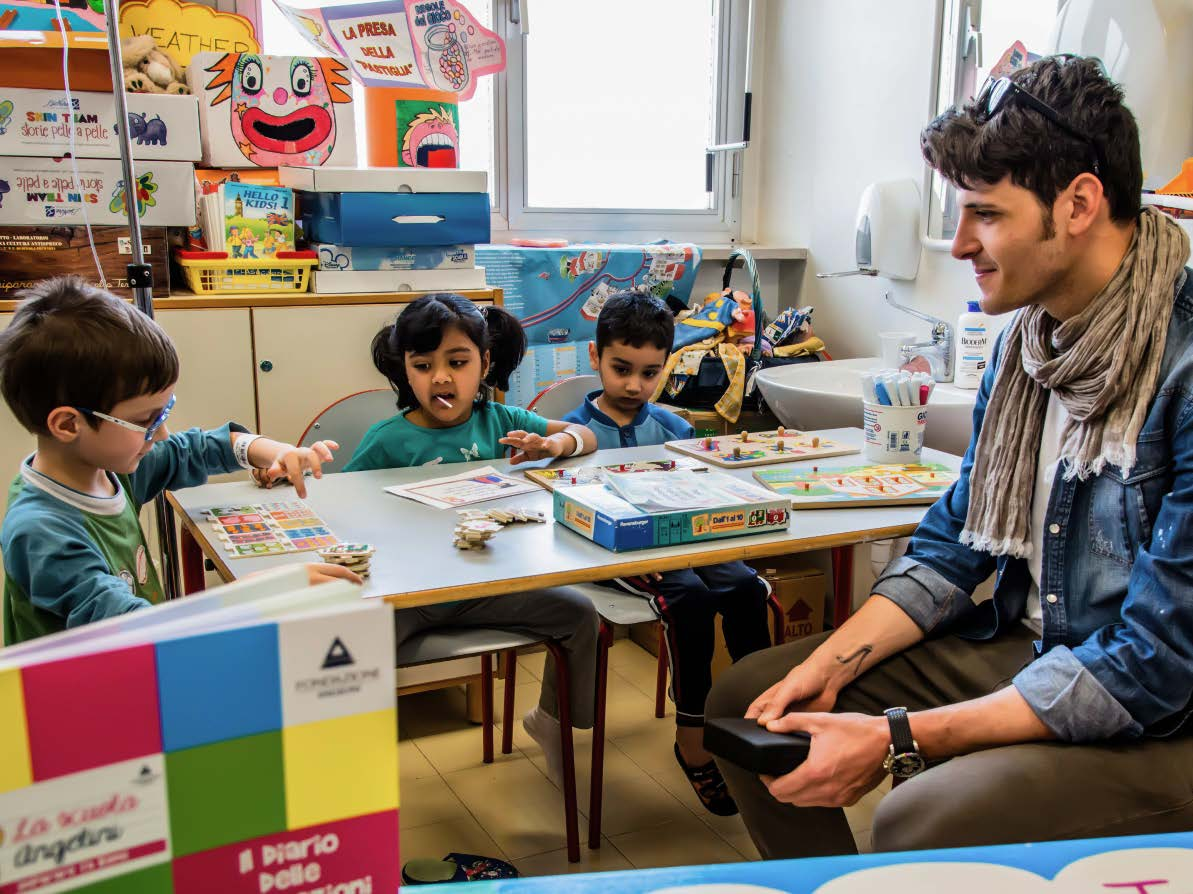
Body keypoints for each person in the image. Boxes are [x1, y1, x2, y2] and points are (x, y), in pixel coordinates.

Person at [706, 54, 1193, 858]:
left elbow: (1155, 662)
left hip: (1162, 711)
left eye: (985, 214)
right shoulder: (1025, 345)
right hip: (1037, 642)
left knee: (920, 814)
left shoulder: (1179, 363)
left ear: (1077, 203)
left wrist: (897, 737)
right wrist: (828, 663)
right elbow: (952, 544)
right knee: (748, 700)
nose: (960, 242)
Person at [0, 276, 360, 646]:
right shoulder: (40, 532)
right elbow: (129, 627)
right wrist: (250, 595)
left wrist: (273, 451)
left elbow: (195, 448)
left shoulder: (103, 469)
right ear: (67, 424)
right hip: (72, 696)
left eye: (164, 413)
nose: (161, 434)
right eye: (145, 421)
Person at [344, 293, 601, 785]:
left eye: (457, 362)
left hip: (487, 590)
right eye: (423, 365)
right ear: (404, 372)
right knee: (346, 653)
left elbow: (584, 437)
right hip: (408, 599)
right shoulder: (387, 438)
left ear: (485, 363)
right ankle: (351, 769)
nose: (440, 378)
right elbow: (341, 504)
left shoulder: (502, 422)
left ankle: (550, 721)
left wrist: (553, 444)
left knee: (578, 614)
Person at [563, 290, 774, 815]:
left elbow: (697, 490)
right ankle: (693, 741)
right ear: (595, 358)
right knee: (690, 599)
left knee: (746, 586)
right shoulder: (570, 431)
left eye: (649, 373)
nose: (634, 385)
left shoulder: (674, 427)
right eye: (621, 369)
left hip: (681, 539)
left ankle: (763, 716)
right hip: (614, 554)